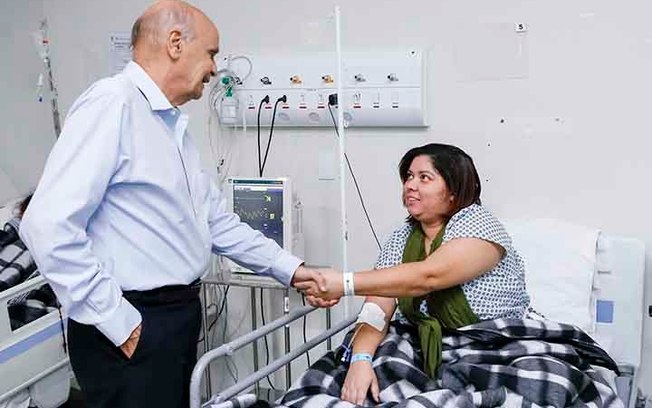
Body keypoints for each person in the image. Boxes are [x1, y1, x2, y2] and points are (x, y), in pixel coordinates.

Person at [19, 2, 331, 407]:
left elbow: (217, 223)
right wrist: (118, 321)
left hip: (172, 318)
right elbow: (46, 225)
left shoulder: (170, 126)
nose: (214, 68)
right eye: (211, 53)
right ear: (175, 43)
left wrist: (293, 270)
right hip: (132, 323)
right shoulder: (113, 104)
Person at [298, 143, 530, 405]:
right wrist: (361, 360)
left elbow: (427, 277)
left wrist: (344, 283)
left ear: (454, 190)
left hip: (492, 343)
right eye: (409, 176)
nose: (410, 185)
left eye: (424, 177)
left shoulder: (478, 223)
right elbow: (378, 305)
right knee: (327, 388)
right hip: (418, 344)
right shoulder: (401, 238)